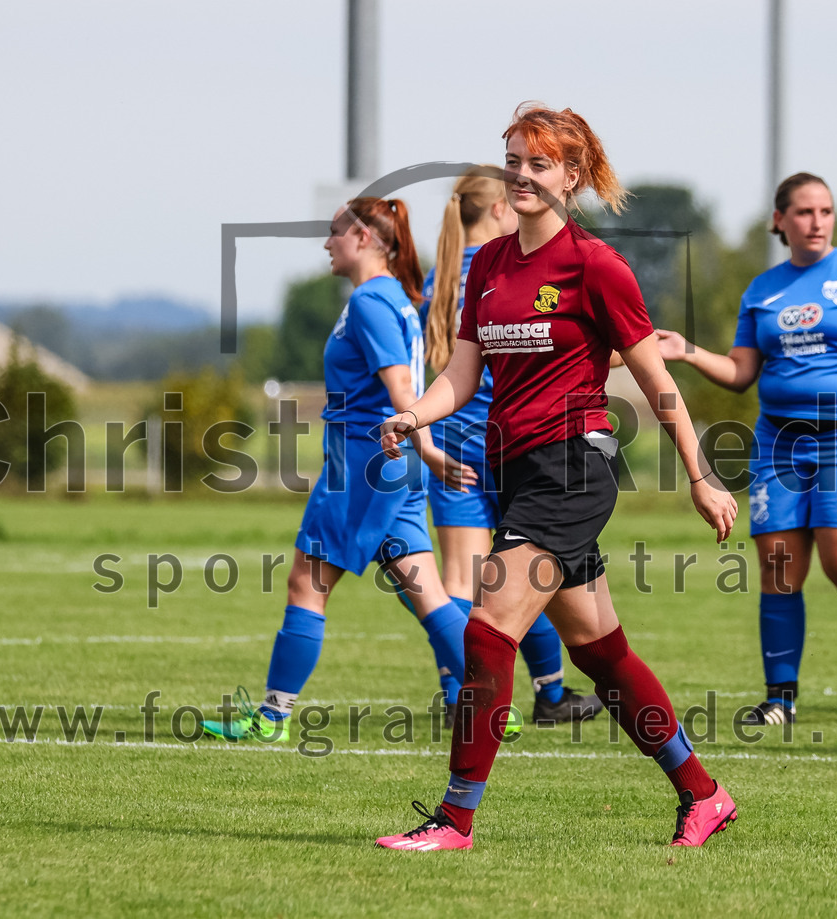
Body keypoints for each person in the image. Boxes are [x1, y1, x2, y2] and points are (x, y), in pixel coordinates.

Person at [375, 103, 739, 851]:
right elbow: (463, 371)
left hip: (574, 468)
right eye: (513, 160)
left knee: (488, 627)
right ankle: (704, 794)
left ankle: (454, 819)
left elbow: (656, 379)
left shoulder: (595, 266)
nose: (521, 174)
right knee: (598, 650)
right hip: (515, 472)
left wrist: (701, 475)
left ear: (572, 175)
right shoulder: (491, 266)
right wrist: (417, 414)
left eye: (538, 163)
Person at [201, 197, 469, 742]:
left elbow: (401, 391)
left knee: (307, 583)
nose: (327, 243)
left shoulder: (373, 302)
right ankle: (493, 699)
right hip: (393, 467)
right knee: (427, 592)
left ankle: (271, 718)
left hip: (367, 464)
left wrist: (430, 451)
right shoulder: (393, 298)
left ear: (366, 239)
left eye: (334, 233)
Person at [656, 172, 837, 726]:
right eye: (803, 212)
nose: (816, 221)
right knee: (779, 566)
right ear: (780, 221)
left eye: (825, 211)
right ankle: (781, 699)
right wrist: (687, 351)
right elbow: (742, 372)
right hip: (781, 442)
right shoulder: (763, 289)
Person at [411, 166, 602, 727]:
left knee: (462, 580)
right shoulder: (501, 269)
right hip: (516, 442)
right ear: (499, 209)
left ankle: (458, 695)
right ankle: (549, 692)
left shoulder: (436, 280)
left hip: (451, 441)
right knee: (526, 579)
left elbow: (439, 372)